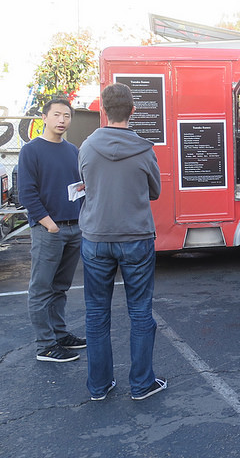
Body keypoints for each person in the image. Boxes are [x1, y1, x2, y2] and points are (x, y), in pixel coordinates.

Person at [79, 83, 165, 401]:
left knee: (96, 314)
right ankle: (142, 384)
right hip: (136, 238)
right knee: (140, 312)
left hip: (96, 238)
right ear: (132, 111)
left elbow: (86, 185)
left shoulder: (86, 147)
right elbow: (154, 191)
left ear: (103, 110)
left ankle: (99, 387)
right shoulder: (144, 149)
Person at [18, 96, 86, 362]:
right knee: (41, 288)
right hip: (50, 231)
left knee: (60, 287)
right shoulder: (31, 150)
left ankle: (60, 334)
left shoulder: (73, 150)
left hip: (74, 228)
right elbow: (27, 193)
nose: (62, 120)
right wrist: (50, 225)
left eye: (66, 116)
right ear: (44, 118)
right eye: (56, 115)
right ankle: (45, 345)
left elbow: (80, 186)